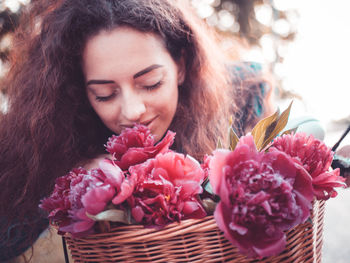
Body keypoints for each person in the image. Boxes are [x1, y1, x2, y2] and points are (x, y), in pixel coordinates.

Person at [0, 0, 272, 261]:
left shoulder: (244, 96)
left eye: (151, 83)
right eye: (104, 95)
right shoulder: (52, 133)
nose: (132, 111)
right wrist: (74, 175)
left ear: (181, 63)